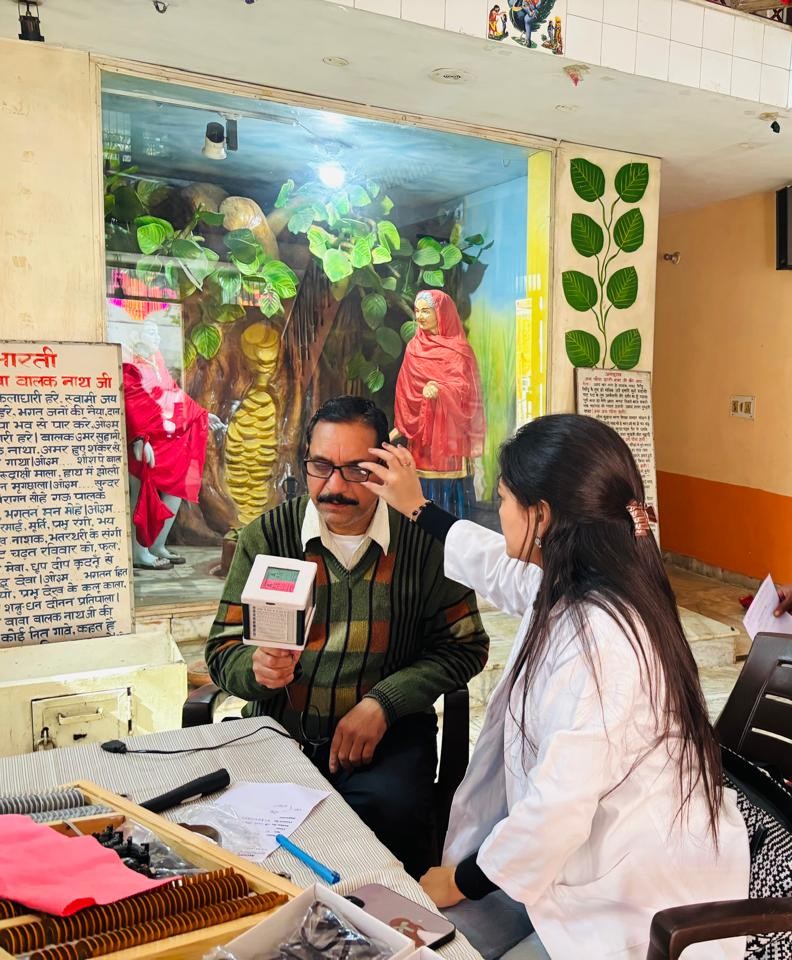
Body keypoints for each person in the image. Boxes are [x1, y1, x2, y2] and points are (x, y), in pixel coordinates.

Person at [359, 414, 750, 959]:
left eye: (502, 500)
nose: (497, 514)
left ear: (540, 516)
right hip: (569, 864)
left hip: (622, 900)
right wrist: (417, 508)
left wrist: (462, 881)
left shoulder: (604, 643)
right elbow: (496, 564)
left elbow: (556, 812)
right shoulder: (577, 580)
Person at [205, 395, 489, 879]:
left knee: (385, 845)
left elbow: (465, 645)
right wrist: (253, 669)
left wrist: (385, 702)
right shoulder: (268, 537)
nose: (333, 487)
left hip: (389, 741)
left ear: (384, 467)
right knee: (252, 856)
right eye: (320, 466)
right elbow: (223, 647)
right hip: (280, 735)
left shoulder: (424, 542)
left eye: (356, 469)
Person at [122, 319, 209, 569]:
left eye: (158, 333)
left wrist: (200, 414)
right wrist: (138, 437)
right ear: (137, 335)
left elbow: (171, 392)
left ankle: (158, 544)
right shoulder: (129, 362)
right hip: (142, 440)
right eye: (152, 332)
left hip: (163, 437)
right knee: (141, 496)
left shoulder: (155, 358)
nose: (158, 338)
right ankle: (140, 553)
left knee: (176, 490)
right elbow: (132, 403)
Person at [393, 290, 485, 518]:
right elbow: (405, 395)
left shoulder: (460, 351)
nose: (420, 317)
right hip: (422, 445)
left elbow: (469, 394)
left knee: (453, 514)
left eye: (426, 311)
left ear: (441, 313)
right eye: (417, 311)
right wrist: (423, 395)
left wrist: (440, 390)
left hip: (451, 447)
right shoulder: (413, 349)